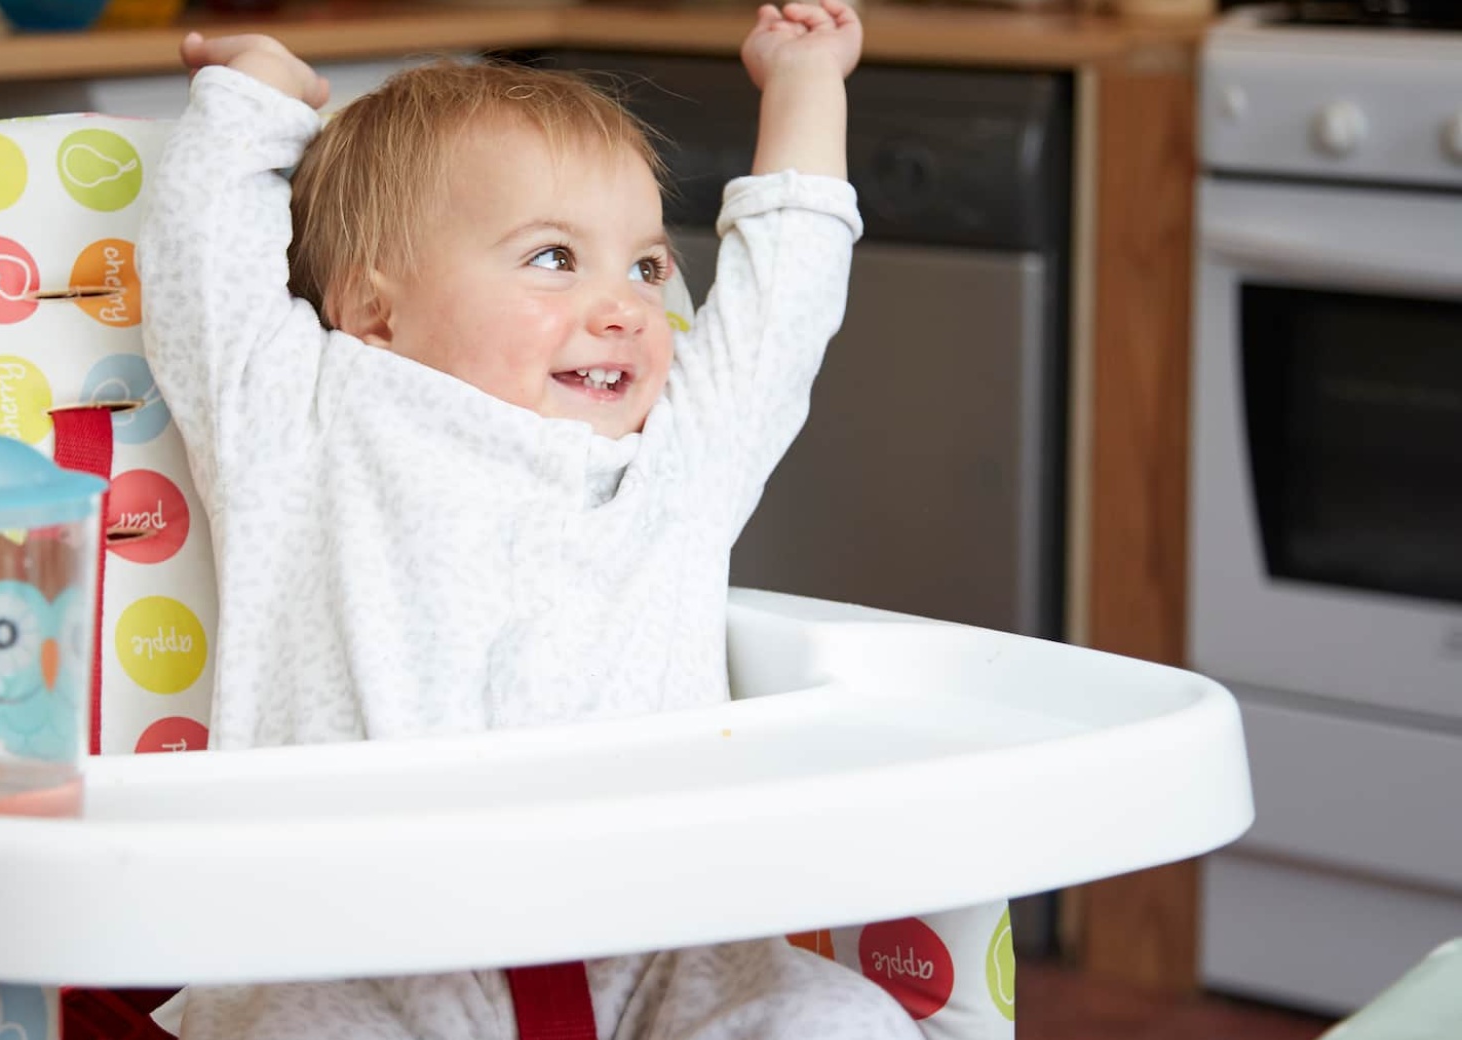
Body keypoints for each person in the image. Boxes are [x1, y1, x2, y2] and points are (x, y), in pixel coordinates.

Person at [141, 4, 919, 1036]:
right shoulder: (306, 418)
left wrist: (806, 85)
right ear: (374, 309)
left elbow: (785, 303)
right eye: (554, 258)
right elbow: (202, 273)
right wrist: (255, 101)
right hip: (357, 944)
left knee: (830, 1016)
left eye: (645, 265)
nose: (627, 306)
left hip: (654, 952)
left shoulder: (681, 453)